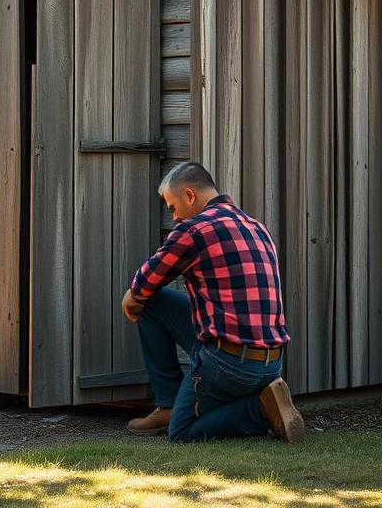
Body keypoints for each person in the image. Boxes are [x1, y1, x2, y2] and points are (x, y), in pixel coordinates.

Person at [121, 161, 304, 443]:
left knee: (181, 434)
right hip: (271, 364)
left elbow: (143, 284)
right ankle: (173, 404)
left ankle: (259, 409)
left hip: (229, 365)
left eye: (172, 207)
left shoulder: (193, 231)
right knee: (156, 302)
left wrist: (131, 297)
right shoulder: (256, 227)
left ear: (190, 196)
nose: (173, 218)